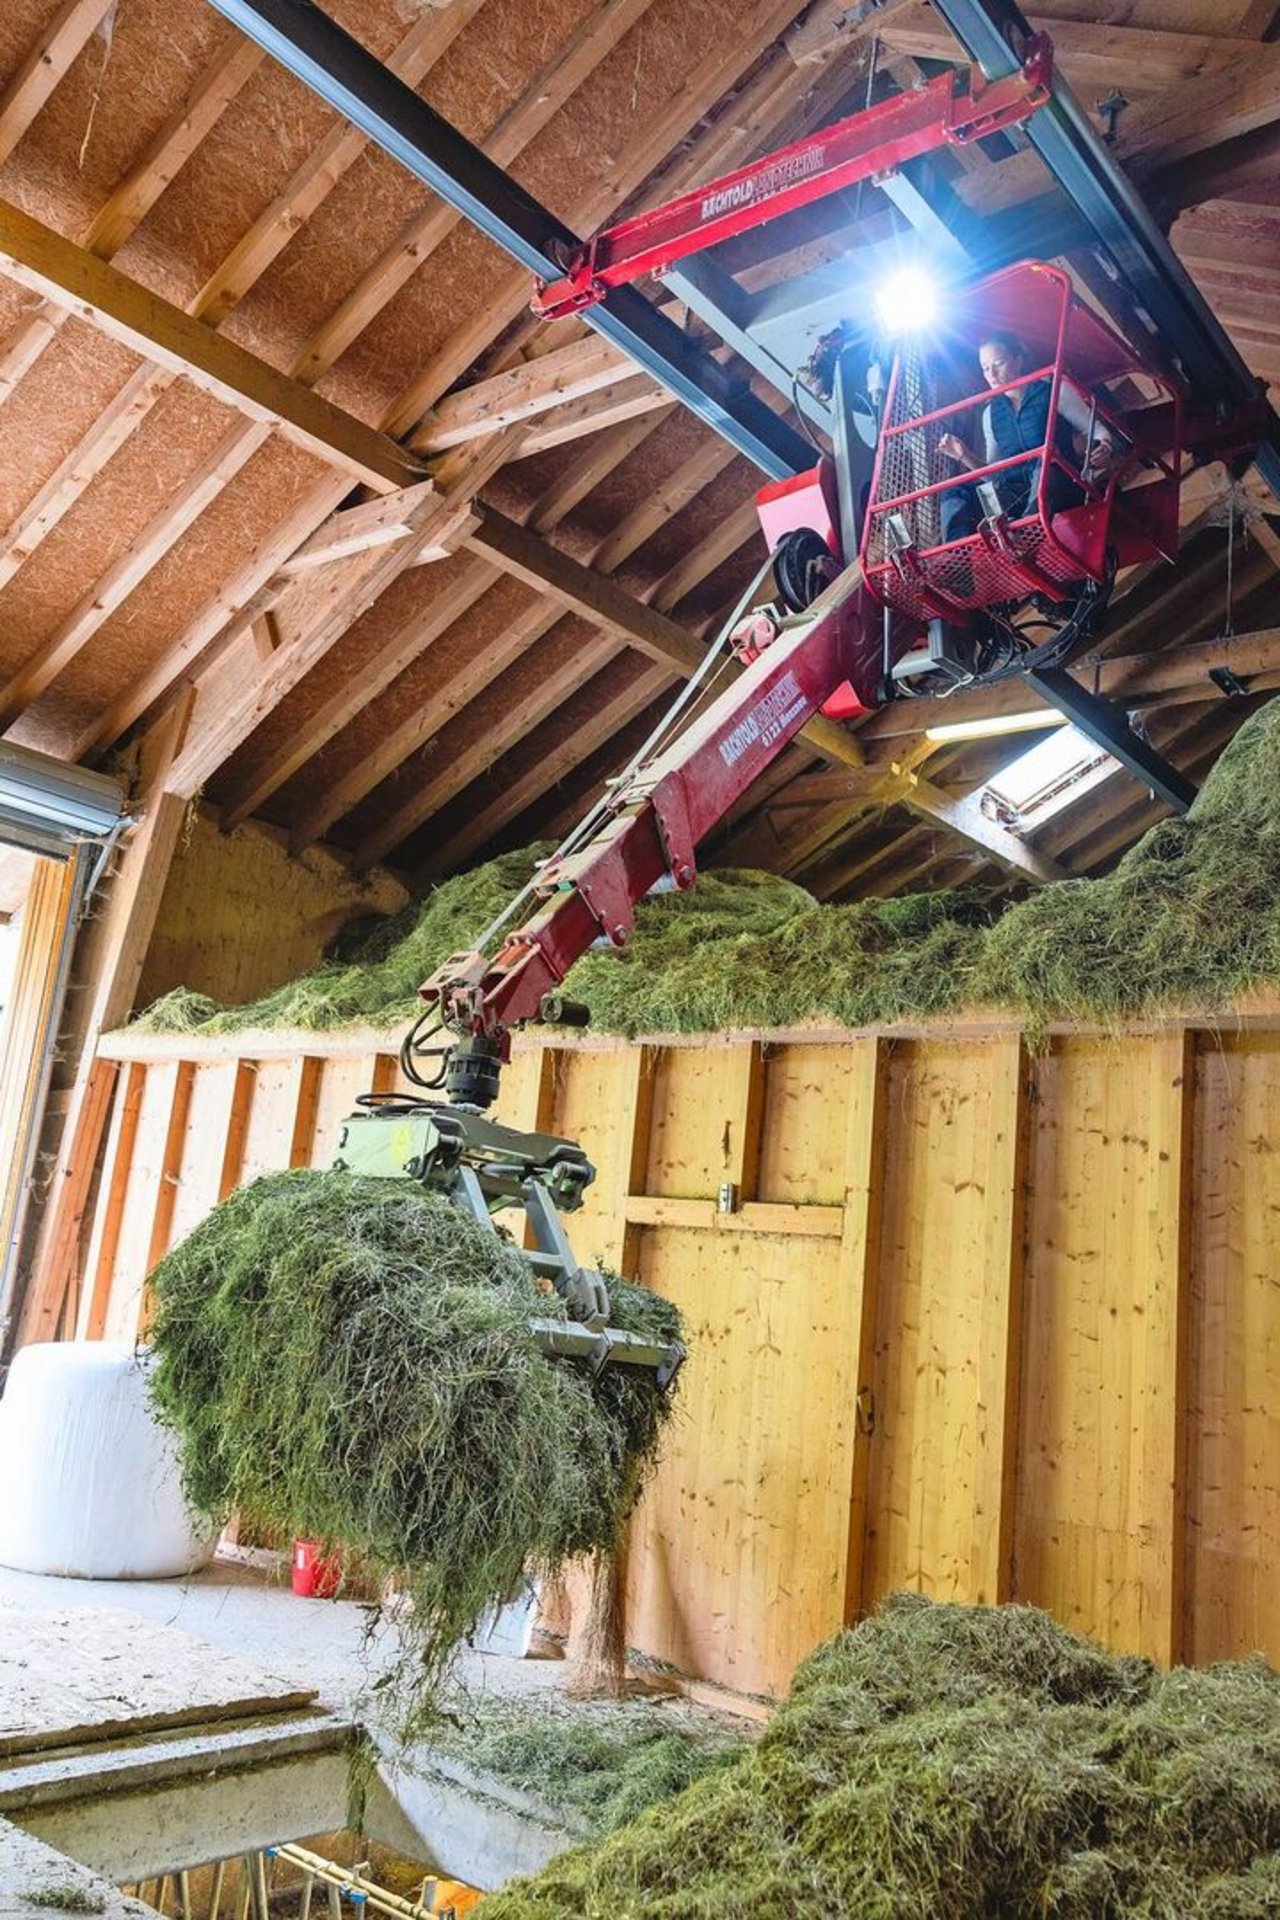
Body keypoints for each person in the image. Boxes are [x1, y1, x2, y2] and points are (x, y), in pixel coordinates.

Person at [937, 332, 1114, 544]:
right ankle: (957, 561)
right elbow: (995, 474)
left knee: (1045, 458)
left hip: (1061, 485)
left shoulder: (1053, 390)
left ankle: (1028, 535)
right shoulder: (990, 413)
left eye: (999, 363)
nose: (991, 374)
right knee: (954, 491)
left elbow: (1097, 431)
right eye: (985, 368)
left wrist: (1105, 446)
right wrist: (964, 456)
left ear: (1018, 361)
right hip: (1016, 496)